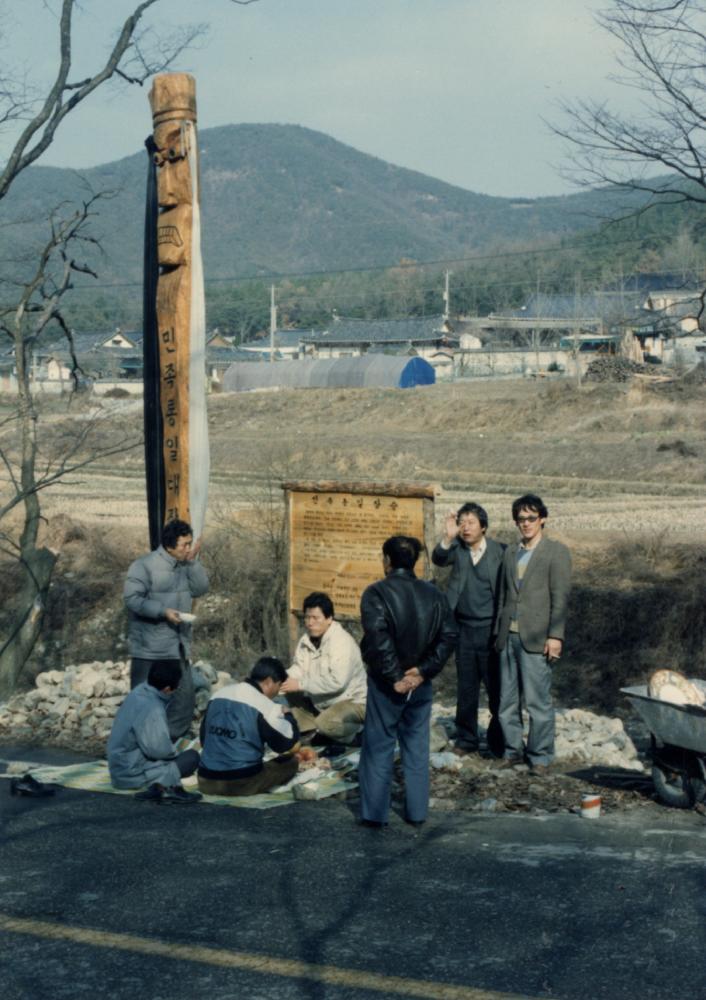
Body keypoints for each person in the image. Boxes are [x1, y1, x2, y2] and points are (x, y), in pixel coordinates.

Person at [357, 535, 458, 828]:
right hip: (420, 683)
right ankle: (416, 813)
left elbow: (378, 639)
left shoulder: (376, 593)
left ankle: (375, 814)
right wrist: (423, 671)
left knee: (378, 746)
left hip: (386, 684)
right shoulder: (434, 594)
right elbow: (449, 635)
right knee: (416, 746)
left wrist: (395, 677)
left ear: (387, 561)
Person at [495, 494, 572, 775]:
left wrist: (556, 636)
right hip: (508, 637)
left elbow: (560, 598)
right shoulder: (510, 552)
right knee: (507, 701)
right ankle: (512, 751)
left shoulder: (556, 552)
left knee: (538, 701)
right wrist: (498, 634)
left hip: (537, 638)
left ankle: (539, 756)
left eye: (531, 518)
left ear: (542, 519)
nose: (525, 524)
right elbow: (504, 596)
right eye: (520, 519)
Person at [124, 518, 208, 741]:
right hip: (149, 648)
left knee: (184, 700)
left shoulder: (184, 565)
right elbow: (132, 599)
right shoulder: (144, 566)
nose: (188, 548)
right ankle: (140, 744)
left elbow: (201, 589)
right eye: (184, 545)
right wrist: (163, 611)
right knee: (144, 701)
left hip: (178, 646)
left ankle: (169, 743)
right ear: (170, 545)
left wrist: (193, 563)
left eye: (190, 543)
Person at [432, 502, 505, 757]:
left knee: (496, 688)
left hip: (490, 631)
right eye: (462, 522)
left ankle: (499, 741)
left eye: (471, 522)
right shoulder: (457, 550)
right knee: (466, 688)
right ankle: (466, 739)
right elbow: (438, 559)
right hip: (462, 628)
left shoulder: (500, 552)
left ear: (483, 527)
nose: (466, 527)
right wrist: (447, 537)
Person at [197, 657, 300, 796]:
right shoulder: (265, 705)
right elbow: (285, 743)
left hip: (205, 780)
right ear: (269, 682)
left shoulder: (217, 695)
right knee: (291, 762)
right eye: (279, 686)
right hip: (240, 783)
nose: (277, 693)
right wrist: (289, 716)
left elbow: (204, 740)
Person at [107, 660, 201, 804]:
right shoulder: (153, 708)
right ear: (168, 689)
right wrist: (174, 752)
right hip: (132, 774)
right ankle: (165, 787)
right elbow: (158, 751)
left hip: (119, 767)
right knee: (192, 758)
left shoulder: (138, 692)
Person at [281, 592, 367, 746]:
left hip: (352, 700)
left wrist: (300, 684)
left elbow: (337, 682)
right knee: (290, 690)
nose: (310, 623)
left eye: (315, 618)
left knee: (325, 723)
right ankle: (311, 732)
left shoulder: (341, 642)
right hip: (325, 702)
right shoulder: (306, 640)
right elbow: (299, 668)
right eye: (307, 617)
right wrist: (281, 680)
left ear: (329, 619)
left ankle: (357, 734)